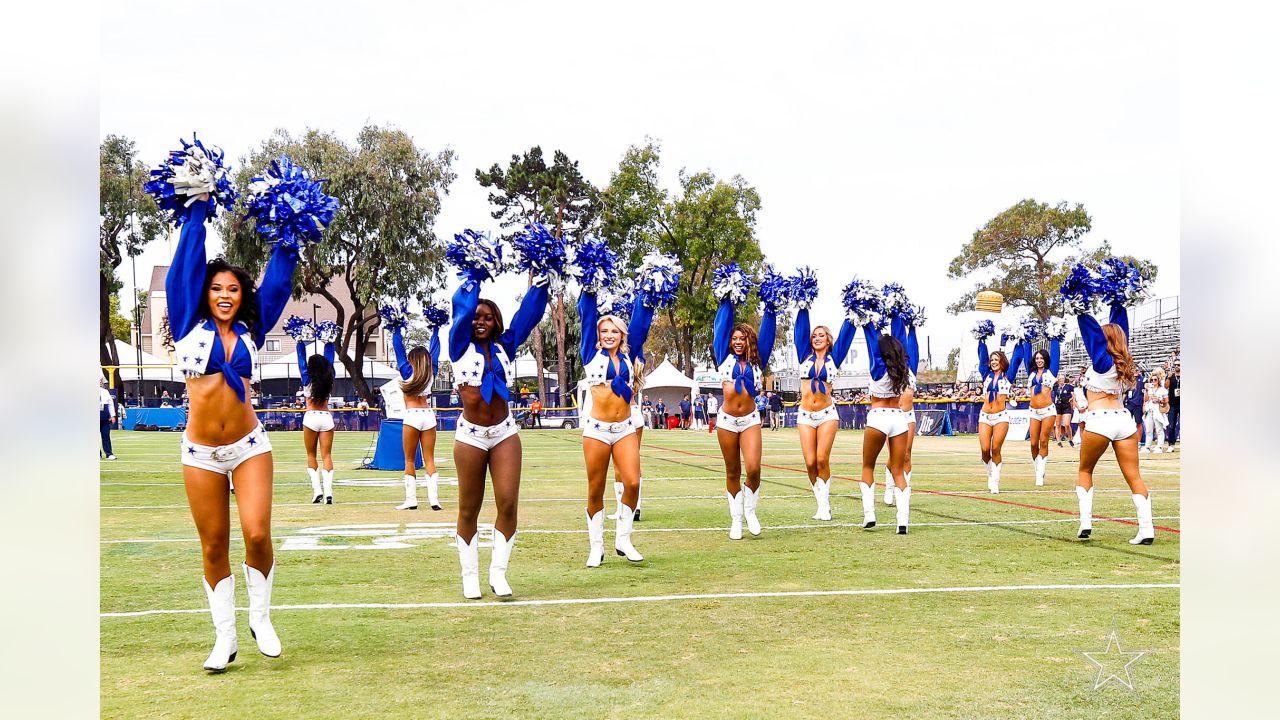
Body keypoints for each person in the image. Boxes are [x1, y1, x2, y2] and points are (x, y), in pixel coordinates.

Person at [166, 194, 299, 671]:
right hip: (200, 452)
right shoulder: (186, 326)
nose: (225, 295)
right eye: (217, 288)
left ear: (243, 297)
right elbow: (186, 262)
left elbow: (279, 285)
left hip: (248, 448)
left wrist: (290, 233)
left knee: (258, 533)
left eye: (234, 290)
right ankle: (224, 638)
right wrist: (198, 208)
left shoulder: (251, 333)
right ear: (206, 293)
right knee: (213, 545)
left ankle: (260, 618)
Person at [448, 265, 550, 598]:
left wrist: (542, 284)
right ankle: (469, 575)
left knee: (507, 504)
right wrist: (474, 277)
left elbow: (527, 316)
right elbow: (462, 311)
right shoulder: (458, 345)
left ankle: (499, 573)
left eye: (488, 317)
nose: (480, 321)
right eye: (477, 315)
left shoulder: (506, 345)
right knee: (469, 508)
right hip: (471, 436)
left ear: (496, 322)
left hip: (505, 432)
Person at [576, 287, 655, 566]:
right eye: (604, 331)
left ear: (622, 335)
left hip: (624, 428)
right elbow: (587, 316)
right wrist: (589, 287)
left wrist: (650, 292)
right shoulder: (590, 353)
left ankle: (623, 538)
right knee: (595, 489)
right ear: (598, 335)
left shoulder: (630, 357)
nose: (609, 335)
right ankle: (596, 546)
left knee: (632, 482)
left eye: (614, 331)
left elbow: (642, 321)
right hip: (597, 430)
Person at [1068, 297, 1154, 544]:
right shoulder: (1123, 361)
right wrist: (1119, 305)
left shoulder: (1102, 361)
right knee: (1134, 476)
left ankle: (1085, 522)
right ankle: (1146, 529)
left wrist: (1081, 312)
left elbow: (1092, 335)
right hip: (1124, 421)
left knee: (1085, 470)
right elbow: (1120, 330)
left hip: (1099, 421)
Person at [712, 282, 777, 540]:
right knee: (732, 471)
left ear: (749, 340)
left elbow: (768, 334)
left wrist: (771, 308)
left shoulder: (758, 359)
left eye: (742, 339)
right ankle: (736, 519)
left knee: (753, 468)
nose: (738, 342)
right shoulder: (723, 357)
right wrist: (728, 297)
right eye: (734, 339)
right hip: (727, 421)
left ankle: (750, 511)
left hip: (750, 420)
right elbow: (721, 325)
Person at [791, 303, 856, 520]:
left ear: (828, 339)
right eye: (814, 336)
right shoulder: (804, 356)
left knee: (821, 459)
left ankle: (825, 505)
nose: (817, 338)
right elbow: (799, 329)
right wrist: (803, 306)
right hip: (805, 415)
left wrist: (854, 311)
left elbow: (846, 335)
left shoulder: (834, 358)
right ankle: (820, 502)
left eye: (821, 335)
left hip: (827, 413)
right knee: (809, 462)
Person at [851, 314, 914, 532]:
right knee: (898, 471)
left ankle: (869, 514)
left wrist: (866, 319)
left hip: (878, 417)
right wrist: (898, 316)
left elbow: (871, 342)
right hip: (899, 418)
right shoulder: (903, 369)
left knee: (868, 466)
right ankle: (903, 521)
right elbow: (901, 339)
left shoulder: (877, 368)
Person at [392, 320, 443, 512]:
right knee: (430, 459)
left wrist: (396, 329)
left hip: (412, 416)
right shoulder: (432, 372)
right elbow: (436, 350)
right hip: (428, 416)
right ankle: (434, 500)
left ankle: (411, 500)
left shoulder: (406, 371)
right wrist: (436, 329)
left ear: (412, 359)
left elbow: (398, 349)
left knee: (410, 460)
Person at [975, 330, 1024, 493]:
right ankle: (990, 472)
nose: (994, 362)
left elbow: (1017, 359)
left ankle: (995, 480)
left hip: (1001, 416)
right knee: (984, 449)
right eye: (992, 360)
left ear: (1002, 362)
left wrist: (1020, 341)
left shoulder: (1008, 376)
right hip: (985, 416)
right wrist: (981, 338)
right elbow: (982, 355)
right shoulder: (986, 374)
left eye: (997, 360)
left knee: (996, 448)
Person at [297, 333, 337, 504]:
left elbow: (301, 361)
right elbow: (330, 359)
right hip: (327, 417)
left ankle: (317, 490)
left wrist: (299, 342)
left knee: (311, 455)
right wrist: (329, 342)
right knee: (327, 455)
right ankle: (328, 492)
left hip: (311, 417)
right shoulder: (329, 377)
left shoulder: (307, 378)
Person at [1021, 332, 1061, 487]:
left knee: (1043, 441)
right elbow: (1026, 356)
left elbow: (1056, 354)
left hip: (1048, 410)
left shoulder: (1052, 372)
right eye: (1036, 358)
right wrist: (1026, 339)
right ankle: (1037, 468)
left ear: (1045, 360)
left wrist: (1055, 337)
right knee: (1033, 443)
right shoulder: (1030, 373)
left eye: (1041, 358)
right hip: (1033, 410)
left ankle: (1040, 475)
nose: (1039, 360)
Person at [1142, 369, 1170, 453]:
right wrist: (1147, 390)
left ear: (1158, 380)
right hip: (1149, 410)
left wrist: (1159, 400)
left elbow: (1166, 401)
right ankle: (1147, 447)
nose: (1153, 381)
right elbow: (1146, 399)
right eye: (1152, 380)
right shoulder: (1149, 389)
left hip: (1158, 411)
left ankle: (1159, 447)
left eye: (1155, 379)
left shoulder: (1162, 390)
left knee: (1159, 430)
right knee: (1148, 430)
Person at [1052, 374, 1074, 447]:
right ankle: (1058, 441)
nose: (1061, 380)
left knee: (1067, 424)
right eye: (1060, 378)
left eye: (1062, 378)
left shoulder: (1069, 387)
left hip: (1066, 406)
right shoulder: (1055, 387)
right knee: (1057, 424)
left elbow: (1075, 393)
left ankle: (1070, 439)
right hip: (1058, 406)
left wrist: (1072, 399)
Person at [99, 377, 117, 460]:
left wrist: (112, 415)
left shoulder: (105, 392)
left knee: (106, 435)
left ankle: (109, 453)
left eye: (100, 381)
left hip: (104, 417)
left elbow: (110, 404)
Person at [1166, 361, 1180, 449]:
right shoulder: (1171, 376)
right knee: (1171, 425)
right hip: (1172, 404)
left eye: (1178, 365)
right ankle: (1171, 444)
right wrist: (1168, 377)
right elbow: (1166, 386)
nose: (1176, 366)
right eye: (1175, 365)